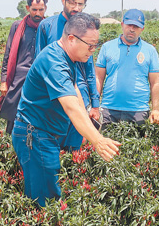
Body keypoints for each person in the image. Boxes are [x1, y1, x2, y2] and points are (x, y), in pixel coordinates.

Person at [12, 13, 121, 207]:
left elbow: (76, 92)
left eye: (95, 45)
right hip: (35, 135)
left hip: (45, 134)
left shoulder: (67, 57)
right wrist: (98, 141)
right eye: (90, 45)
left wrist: (90, 125)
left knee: (47, 194)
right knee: (45, 201)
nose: (92, 50)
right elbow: (71, 106)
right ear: (71, 38)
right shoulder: (54, 61)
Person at [35, 0, 100, 150]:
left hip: (81, 96)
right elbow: (38, 63)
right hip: (55, 95)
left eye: (81, 4)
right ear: (63, 0)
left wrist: (95, 103)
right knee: (53, 146)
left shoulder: (87, 27)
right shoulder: (47, 26)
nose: (76, 9)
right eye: (73, 3)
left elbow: (89, 69)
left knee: (75, 149)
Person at [95, 9, 159, 127]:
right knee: (104, 142)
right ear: (122, 25)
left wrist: (155, 109)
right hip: (108, 110)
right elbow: (98, 78)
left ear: (142, 28)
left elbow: (156, 82)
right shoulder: (107, 47)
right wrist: (95, 106)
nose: (132, 29)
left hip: (139, 111)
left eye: (136, 26)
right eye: (129, 25)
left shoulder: (150, 50)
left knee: (137, 143)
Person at [0, 0, 48, 134]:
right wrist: (3, 80)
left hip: (40, 77)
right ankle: (9, 143)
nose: (38, 13)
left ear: (45, 9)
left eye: (41, 10)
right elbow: (8, 54)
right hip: (19, 76)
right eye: (34, 9)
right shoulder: (18, 26)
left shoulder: (47, 26)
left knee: (37, 114)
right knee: (13, 113)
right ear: (28, 8)